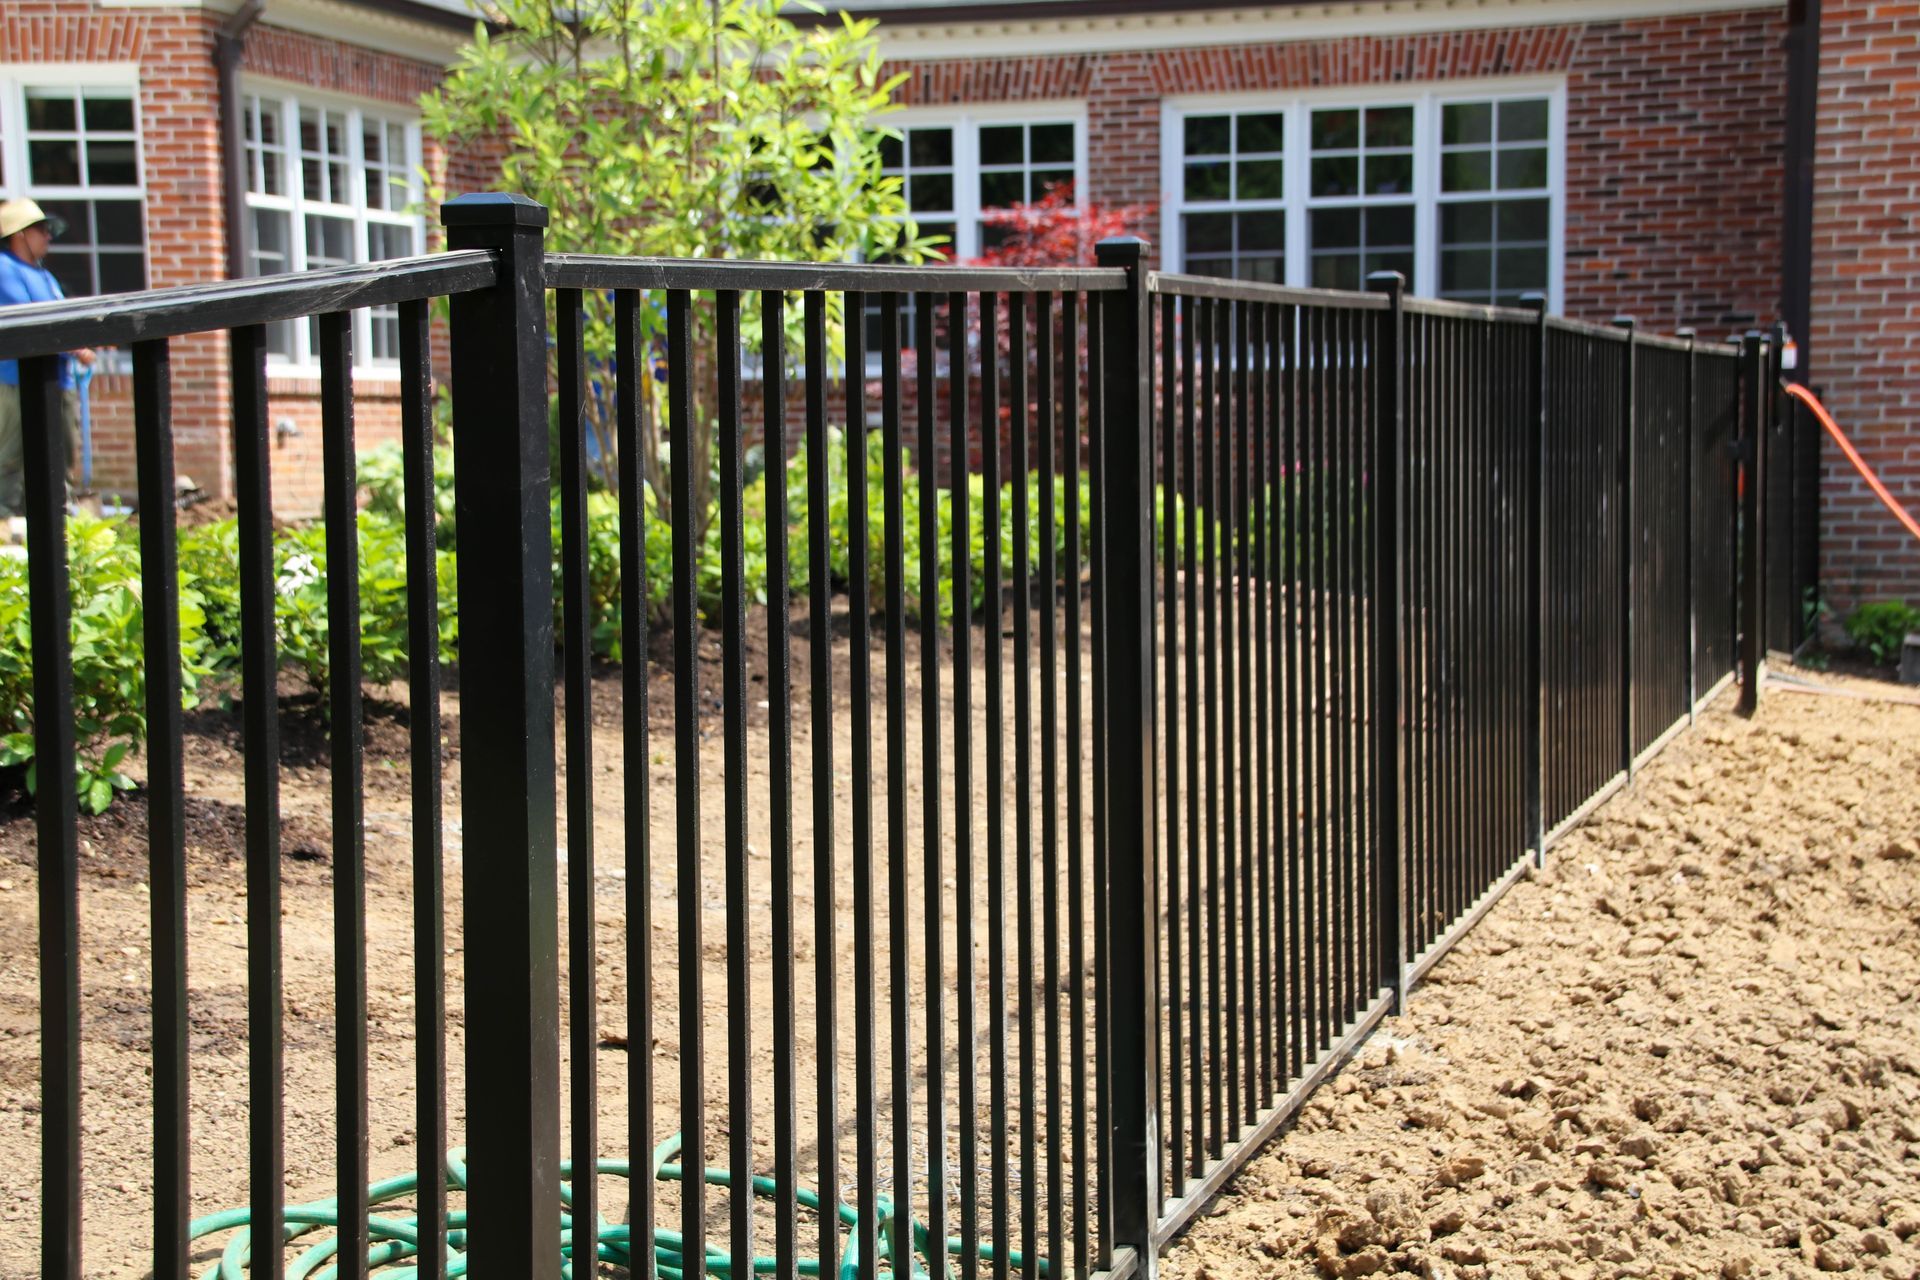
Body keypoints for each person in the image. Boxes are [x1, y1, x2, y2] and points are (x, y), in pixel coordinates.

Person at [0, 198, 95, 519]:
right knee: (11, 458)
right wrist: (76, 347)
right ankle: (5, 526)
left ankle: (55, 522)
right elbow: (33, 321)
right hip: (14, 381)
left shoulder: (45, 277)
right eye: (42, 230)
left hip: (57, 379)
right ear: (19, 234)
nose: (49, 236)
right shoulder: (4, 269)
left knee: (59, 454)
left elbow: (63, 315)